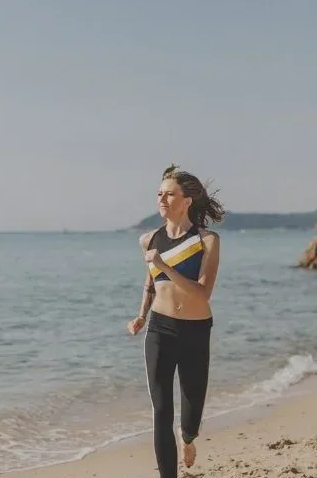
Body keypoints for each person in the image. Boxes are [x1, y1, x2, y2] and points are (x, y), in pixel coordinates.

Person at [127, 163, 224, 478]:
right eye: (159, 194)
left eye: (170, 194)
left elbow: (202, 293)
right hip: (159, 330)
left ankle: (189, 439)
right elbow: (151, 282)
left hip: (195, 330)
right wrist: (142, 315)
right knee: (161, 410)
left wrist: (165, 266)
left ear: (187, 201)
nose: (162, 200)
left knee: (192, 406)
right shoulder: (149, 240)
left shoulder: (207, 241)